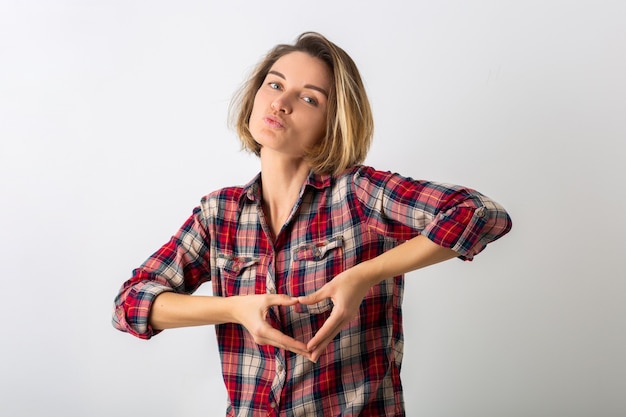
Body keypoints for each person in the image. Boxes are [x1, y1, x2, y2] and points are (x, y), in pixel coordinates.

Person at [112, 32, 512, 416]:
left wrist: (365, 275)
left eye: (308, 98)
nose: (281, 103)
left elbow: (479, 213)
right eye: (274, 85)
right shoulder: (220, 214)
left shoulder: (358, 194)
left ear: (333, 122)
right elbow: (130, 305)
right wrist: (233, 309)